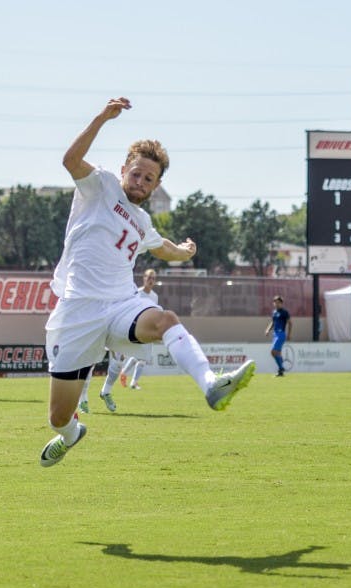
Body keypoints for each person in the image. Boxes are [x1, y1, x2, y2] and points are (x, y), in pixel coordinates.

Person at [40, 97, 256, 467]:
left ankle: (210, 385)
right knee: (59, 415)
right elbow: (69, 161)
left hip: (122, 304)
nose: (139, 182)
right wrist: (101, 119)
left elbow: (163, 248)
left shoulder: (143, 223)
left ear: (156, 186)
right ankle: (71, 433)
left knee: (166, 319)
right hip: (78, 311)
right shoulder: (100, 185)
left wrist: (186, 252)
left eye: (148, 178)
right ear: (124, 169)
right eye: (136, 173)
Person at [119, 268, 159, 389]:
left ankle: (125, 375)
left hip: (149, 330)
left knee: (141, 357)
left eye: (153, 278)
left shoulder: (154, 296)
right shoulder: (138, 293)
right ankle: (133, 382)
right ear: (144, 278)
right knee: (142, 357)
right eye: (148, 277)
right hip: (136, 329)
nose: (150, 280)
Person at [265, 294, 291, 376]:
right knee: (278, 353)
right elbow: (273, 322)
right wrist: (268, 330)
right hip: (275, 334)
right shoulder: (274, 312)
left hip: (281, 334)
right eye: (275, 302)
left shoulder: (284, 312)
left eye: (278, 302)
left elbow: (290, 323)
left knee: (273, 352)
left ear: (281, 303)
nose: (276, 304)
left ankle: (281, 367)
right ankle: (281, 371)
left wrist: (289, 334)